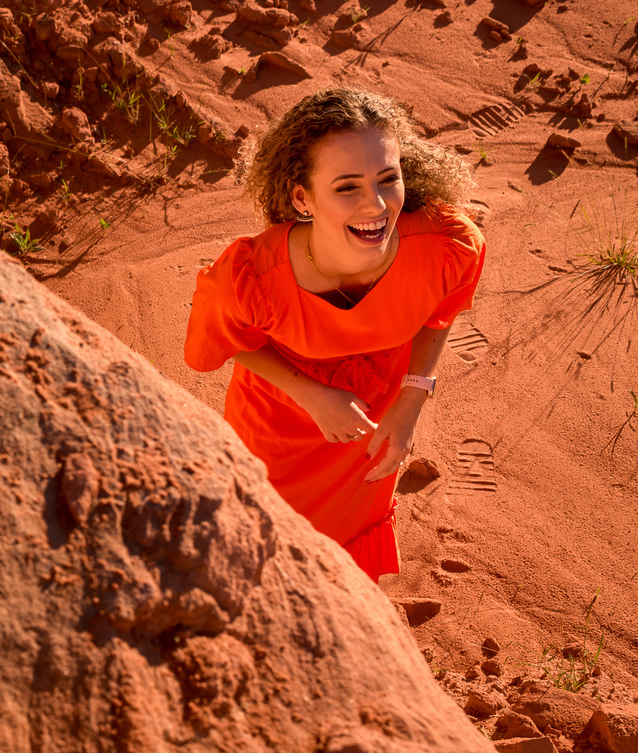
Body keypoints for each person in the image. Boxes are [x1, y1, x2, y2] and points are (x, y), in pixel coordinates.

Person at [184, 88, 485, 583]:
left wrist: (411, 400)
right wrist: (312, 395)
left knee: (342, 569)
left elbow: (439, 312)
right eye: (347, 187)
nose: (377, 205)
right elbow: (224, 340)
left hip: (369, 435)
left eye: (388, 178)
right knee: (261, 550)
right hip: (277, 434)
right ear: (302, 197)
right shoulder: (250, 276)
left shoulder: (445, 245)